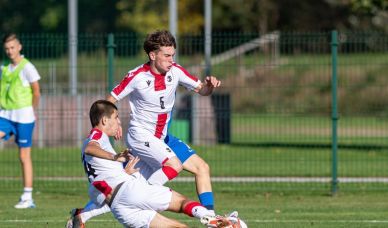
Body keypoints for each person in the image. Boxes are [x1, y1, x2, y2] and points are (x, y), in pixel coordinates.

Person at [67, 29, 222, 226]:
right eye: (166, 55)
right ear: (152, 55)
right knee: (173, 165)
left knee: (202, 168)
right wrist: (114, 124)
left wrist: (210, 85)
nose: (171, 60)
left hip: (163, 138)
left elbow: (202, 90)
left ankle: (212, 218)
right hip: (141, 136)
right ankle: (146, 199)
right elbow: (111, 99)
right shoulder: (137, 76)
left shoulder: (176, 71)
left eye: (172, 55)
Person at [69, 100, 241, 228]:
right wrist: (114, 157)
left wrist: (122, 173)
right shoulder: (95, 137)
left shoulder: (98, 143)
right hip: (130, 192)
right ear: (105, 121)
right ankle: (214, 219)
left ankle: (81, 216)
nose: (119, 121)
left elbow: (101, 176)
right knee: (181, 202)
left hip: (118, 206)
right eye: (116, 117)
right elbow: (90, 148)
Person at [0, 33, 41, 209]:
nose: (10, 51)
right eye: (7, 49)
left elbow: (36, 92)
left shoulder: (28, 67)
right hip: (5, 115)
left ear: (19, 47)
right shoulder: (5, 69)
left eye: (12, 47)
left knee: (24, 156)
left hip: (24, 117)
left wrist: (32, 111)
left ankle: (27, 197)